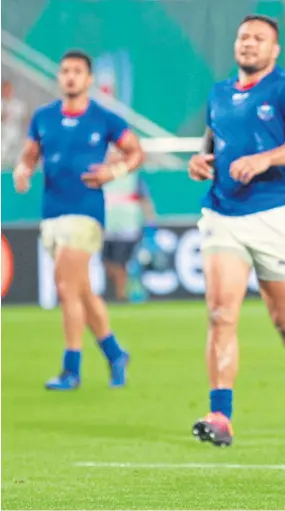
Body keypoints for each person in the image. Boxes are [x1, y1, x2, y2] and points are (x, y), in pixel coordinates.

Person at [188, 14, 285, 446]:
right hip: (222, 214)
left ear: (274, 48)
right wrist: (199, 161)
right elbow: (212, 144)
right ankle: (220, 414)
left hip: (273, 216)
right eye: (243, 36)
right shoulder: (219, 92)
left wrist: (265, 159)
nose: (248, 43)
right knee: (220, 314)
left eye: (259, 38)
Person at [13, 50, 144, 390]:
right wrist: (23, 171)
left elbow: (135, 153)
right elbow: (28, 156)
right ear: (60, 77)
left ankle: (71, 369)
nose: (70, 76)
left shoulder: (104, 117)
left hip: (86, 213)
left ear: (88, 79)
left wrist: (113, 170)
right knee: (83, 291)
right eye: (65, 71)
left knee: (66, 288)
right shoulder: (43, 117)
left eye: (77, 71)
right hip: (52, 213)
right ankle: (115, 353)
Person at [102, 152, 157, 302]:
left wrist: (150, 223)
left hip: (128, 227)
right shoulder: (102, 175)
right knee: (108, 264)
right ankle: (125, 292)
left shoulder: (133, 176)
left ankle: (122, 296)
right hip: (107, 228)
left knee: (121, 264)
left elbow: (145, 200)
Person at [1, 80, 28, 167]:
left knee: (18, 162)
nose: (7, 92)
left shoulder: (18, 105)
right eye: (5, 89)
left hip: (15, 138)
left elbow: (25, 119)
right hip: (2, 139)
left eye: (9, 89)